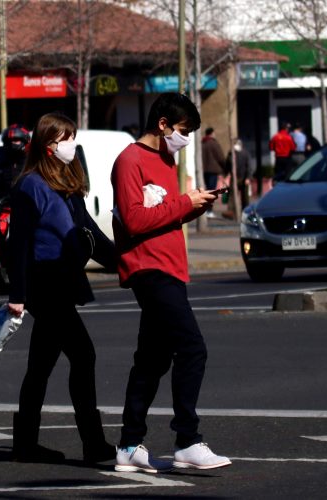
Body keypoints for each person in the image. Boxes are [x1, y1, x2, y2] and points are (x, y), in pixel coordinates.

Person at [111, 92, 231, 474]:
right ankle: (188, 440)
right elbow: (133, 220)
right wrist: (183, 204)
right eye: (181, 131)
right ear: (162, 124)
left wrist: (193, 206)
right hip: (150, 270)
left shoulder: (165, 159)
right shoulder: (130, 160)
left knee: (152, 359)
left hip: (170, 268)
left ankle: (129, 444)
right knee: (192, 348)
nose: (184, 139)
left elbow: (160, 216)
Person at [5, 112, 117, 464]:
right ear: (48, 145)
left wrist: (124, 262)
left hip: (65, 279)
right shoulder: (29, 186)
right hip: (44, 282)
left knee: (41, 364)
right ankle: (93, 443)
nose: (71, 144)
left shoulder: (68, 180)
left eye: (73, 136)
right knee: (83, 355)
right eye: (65, 138)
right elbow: (18, 244)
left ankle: (25, 443)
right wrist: (18, 296)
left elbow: (89, 234)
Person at [200, 127, 225, 218]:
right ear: (211, 133)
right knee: (212, 191)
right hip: (213, 170)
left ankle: (205, 210)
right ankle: (209, 211)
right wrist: (224, 167)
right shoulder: (214, 143)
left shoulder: (202, 143)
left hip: (204, 170)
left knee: (207, 190)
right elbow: (220, 157)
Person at [226, 139, 254, 207]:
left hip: (243, 177)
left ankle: (244, 211)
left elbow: (249, 166)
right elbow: (227, 165)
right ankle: (233, 211)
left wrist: (248, 178)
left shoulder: (245, 153)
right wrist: (227, 176)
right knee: (233, 196)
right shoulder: (231, 153)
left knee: (245, 197)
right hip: (235, 178)